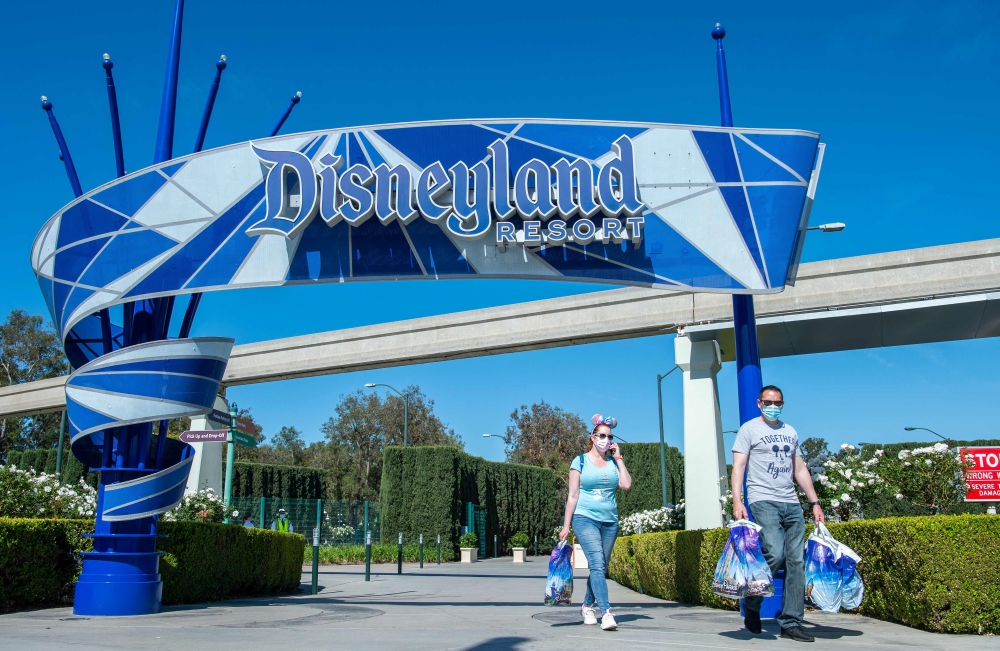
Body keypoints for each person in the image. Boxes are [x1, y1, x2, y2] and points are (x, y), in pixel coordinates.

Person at [731, 385, 825, 643]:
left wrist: (814, 502)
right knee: (774, 551)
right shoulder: (749, 429)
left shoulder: (790, 431)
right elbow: (739, 466)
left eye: (778, 402)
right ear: (759, 403)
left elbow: (800, 469)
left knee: (796, 561)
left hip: (791, 502)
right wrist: (737, 501)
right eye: (769, 402)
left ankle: (791, 622)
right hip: (763, 500)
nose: (774, 406)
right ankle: (752, 600)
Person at [559, 414, 632, 631]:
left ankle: (587, 605)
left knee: (600, 567)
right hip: (585, 518)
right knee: (597, 564)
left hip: (610, 521)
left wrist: (619, 458)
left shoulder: (612, 462)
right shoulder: (579, 461)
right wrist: (566, 525)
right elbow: (572, 496)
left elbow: (626, 485)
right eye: (601, 435)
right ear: (592, 437)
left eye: (609, 437)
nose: (605, 440)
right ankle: (606, 612)